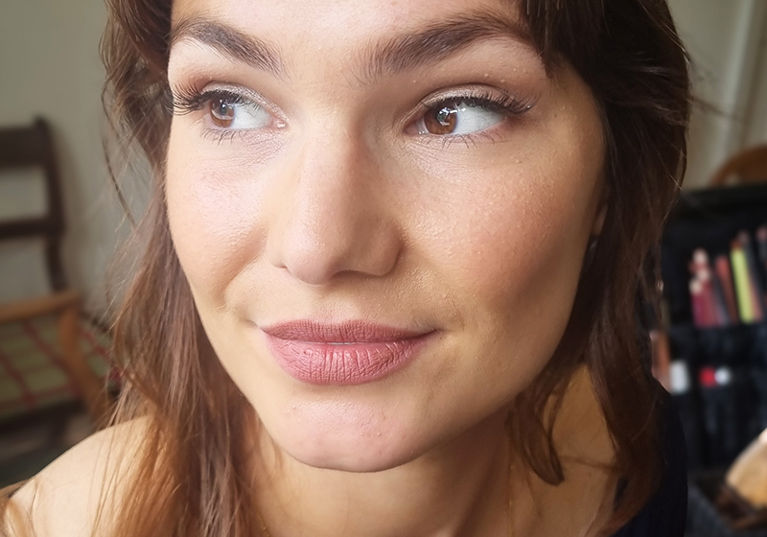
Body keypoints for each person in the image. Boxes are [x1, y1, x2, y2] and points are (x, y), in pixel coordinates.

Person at [0, 0, 691, 535]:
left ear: (611, 173)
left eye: (454, 112)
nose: (314, 247)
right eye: (228, 104)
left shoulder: (633, 450)